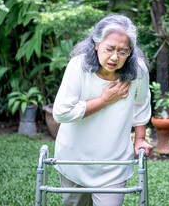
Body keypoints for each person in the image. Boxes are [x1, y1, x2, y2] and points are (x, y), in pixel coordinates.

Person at [53, 14, 153, 206]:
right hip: (74, 159)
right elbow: (61, 112)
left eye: (123, 51)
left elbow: (141, 104)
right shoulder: (78, 66)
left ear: (130, 52)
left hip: (113, 163)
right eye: (109, 49)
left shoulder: (137, 71)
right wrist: (103, 100)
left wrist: (139, 139)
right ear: (96, 44)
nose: (115, 57)